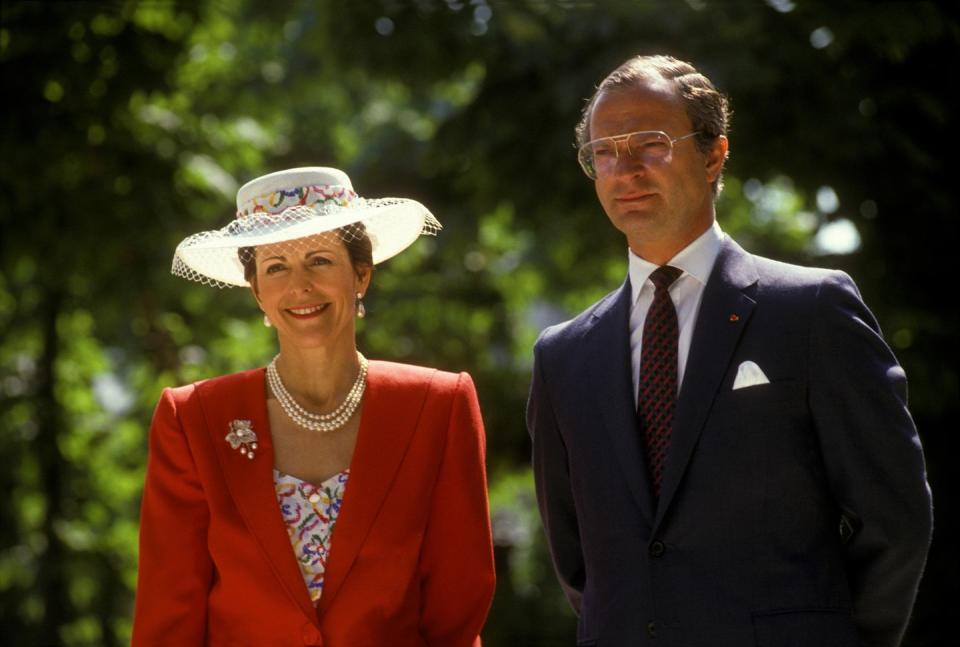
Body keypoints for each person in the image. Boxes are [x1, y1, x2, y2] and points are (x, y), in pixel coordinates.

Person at [526, 55, 932, 647]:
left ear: (715, 153)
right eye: (605, 151)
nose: (625, 169)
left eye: (651, 144)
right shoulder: (562, 357)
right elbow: (579, 561)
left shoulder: (813, 311)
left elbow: (893, 521)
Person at [133, 167, 495, 646]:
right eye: (276, 267)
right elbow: (167, 620)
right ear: (257, 291)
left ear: (361, 274)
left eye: (320, 260)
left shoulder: (437, 406)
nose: (299, 285)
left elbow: (457, 611)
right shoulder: (193, 418)